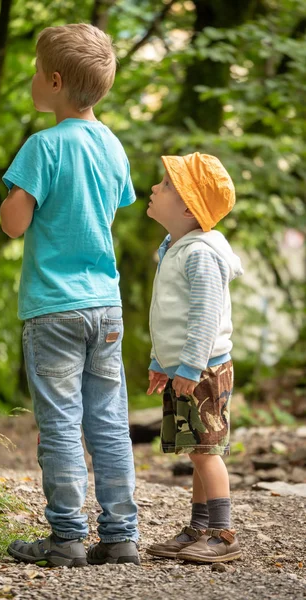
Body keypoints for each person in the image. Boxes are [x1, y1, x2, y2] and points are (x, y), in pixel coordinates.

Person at [0, 23, 139, 568]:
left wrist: (11, 193)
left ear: (54, 81)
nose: (32, 78)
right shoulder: (111, 144)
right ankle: (121, 535)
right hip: (105, 305)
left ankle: (66, 538)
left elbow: (14, 225)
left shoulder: (42, 146)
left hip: (53, 308)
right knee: (108, 419)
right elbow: (114, 204)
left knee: (60, 422)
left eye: (36, 71)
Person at [145, 152, 243, 563]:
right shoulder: (175, 246)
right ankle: (199, 528)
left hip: (202, 370)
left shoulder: (200, 253)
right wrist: (158, 361)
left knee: (206, 450)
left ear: (188, 206)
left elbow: (205, 316)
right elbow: (168, 312)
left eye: (165, 185)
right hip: (186, 368)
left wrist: (187, 366)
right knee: (198, 450)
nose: (153, 187)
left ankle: (222, 533)